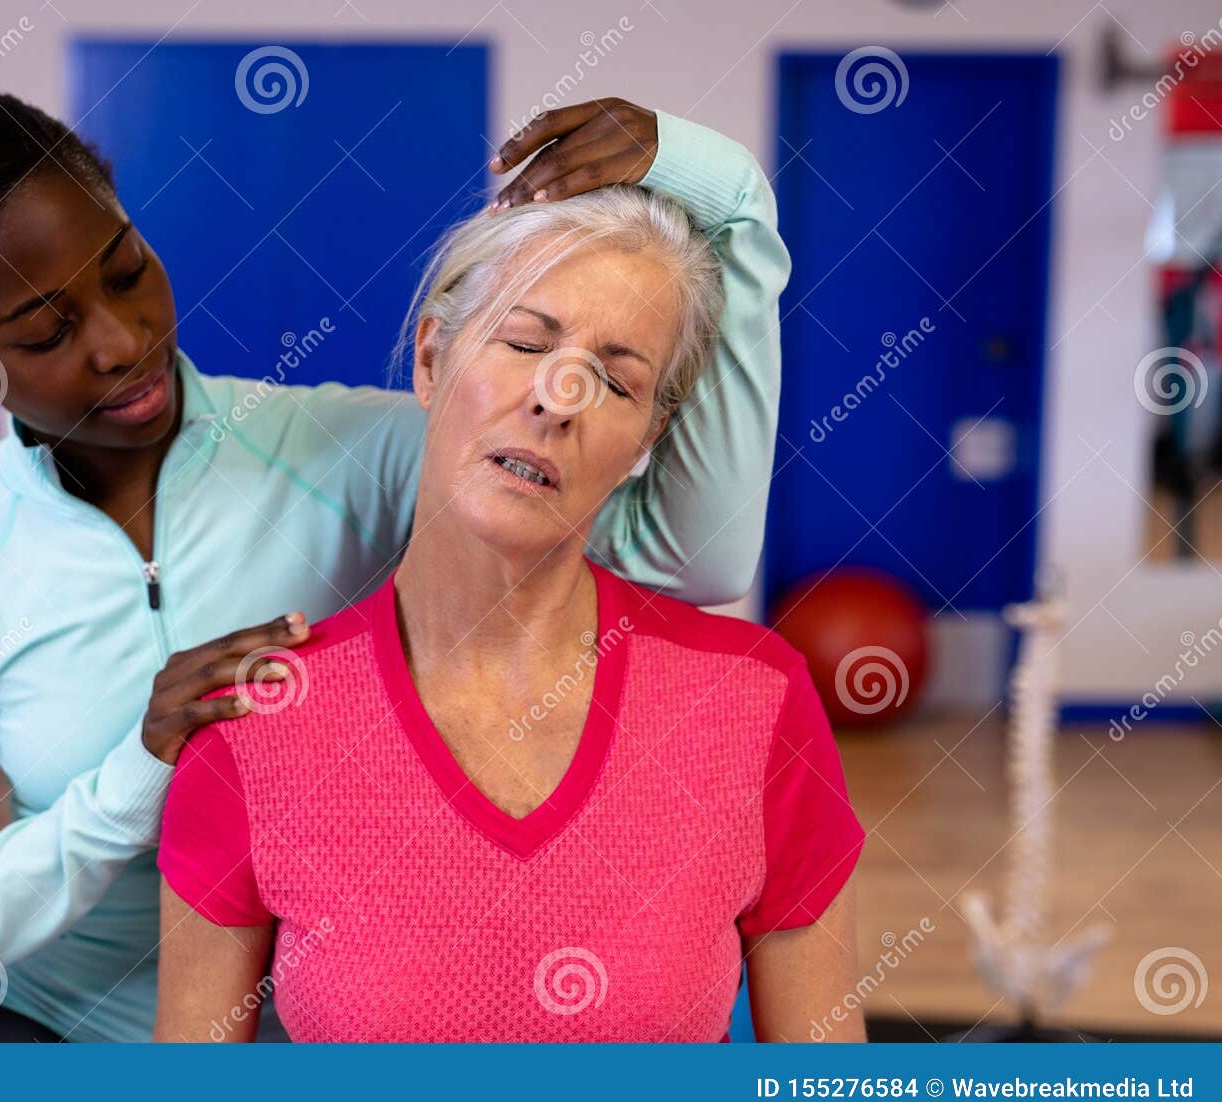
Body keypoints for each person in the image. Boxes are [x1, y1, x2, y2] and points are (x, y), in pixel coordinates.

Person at [0, 87, 788, 1042]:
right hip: (54, 1025)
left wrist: (729, 190)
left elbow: (697, 553)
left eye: (126, 271)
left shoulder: (347, 456)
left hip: (306, 1014)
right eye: (46, 331)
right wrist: (134, 775)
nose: (121, 342)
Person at [154, 179, 864, 1042]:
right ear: (428, 360)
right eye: (525, 341)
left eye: (612, 379)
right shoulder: (255, 721)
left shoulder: (757, 702)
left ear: (647, 438)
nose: (556, 399)